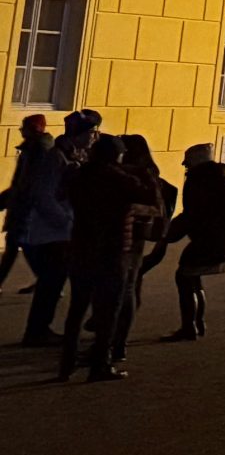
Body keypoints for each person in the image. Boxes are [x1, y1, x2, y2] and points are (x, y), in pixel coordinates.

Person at [58, 130, 159, 383]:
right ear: (117, 155)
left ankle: (66, 364)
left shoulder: (80, 176)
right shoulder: (120, 179)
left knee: (77, 309)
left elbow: (62, 194)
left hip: (81, 248)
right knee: (109, 311)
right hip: (112, 252)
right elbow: (152, 199)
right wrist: (144, 173)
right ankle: (100, 364)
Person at [16, 109, 94, 347]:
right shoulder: (57, 157)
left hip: (59, 231)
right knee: (51, 282)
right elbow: (44, 195)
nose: (94, 137)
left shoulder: (71, 154)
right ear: (79, 134)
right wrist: (66, 222)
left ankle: (39, 329)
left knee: (53, 282)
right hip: (54, 233)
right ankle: (37, 331)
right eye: (91, 132)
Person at [162, 143, 225, 342]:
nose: (185, 166)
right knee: (193, 278)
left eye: (188, 162)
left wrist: (168, 233)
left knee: (184, 277)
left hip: (206, 240)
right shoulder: (223, 177)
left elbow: (192, 214)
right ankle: (199, 323)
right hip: (224, 238)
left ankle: (189, 327)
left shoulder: (198, 180)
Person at [110, 135, 175, 363]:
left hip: (127, 237)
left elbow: (151, 208)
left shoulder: (133, 175)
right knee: (130, 286)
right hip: (138, 238)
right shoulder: (149, 173)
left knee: (123, 288)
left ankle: (115, 340)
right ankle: (118, 341)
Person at [0, 113, 50, 292]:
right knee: (18, 245)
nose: (21, 131)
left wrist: (7, 199)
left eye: (24, 128)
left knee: (20, 244)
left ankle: (48, 281)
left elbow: (26, 183)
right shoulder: (34, 149)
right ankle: (47, 280)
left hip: (26, 206)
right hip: (24, 205)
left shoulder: (37, 151)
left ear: (33, 129)